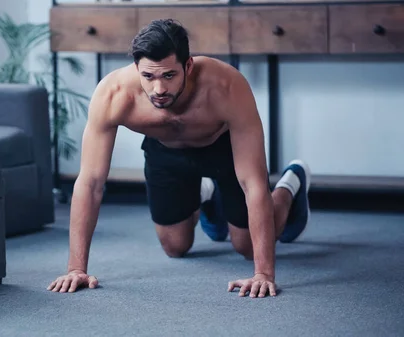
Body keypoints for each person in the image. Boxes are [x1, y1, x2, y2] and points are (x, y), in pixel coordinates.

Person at [47, 19, 311, 298]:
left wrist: (263, 273)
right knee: (176, 246)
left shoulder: (226, 86)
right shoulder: (113, 94)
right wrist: (76, 268)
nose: (158, 88)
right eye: (148, 76)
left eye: (169, 76)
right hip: (166, 152)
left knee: (246, 246)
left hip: (221, 149)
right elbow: (90, 183)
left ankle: (290, 185)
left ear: (188, 66)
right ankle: (206, 196)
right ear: (137, 68)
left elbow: (254, 184)